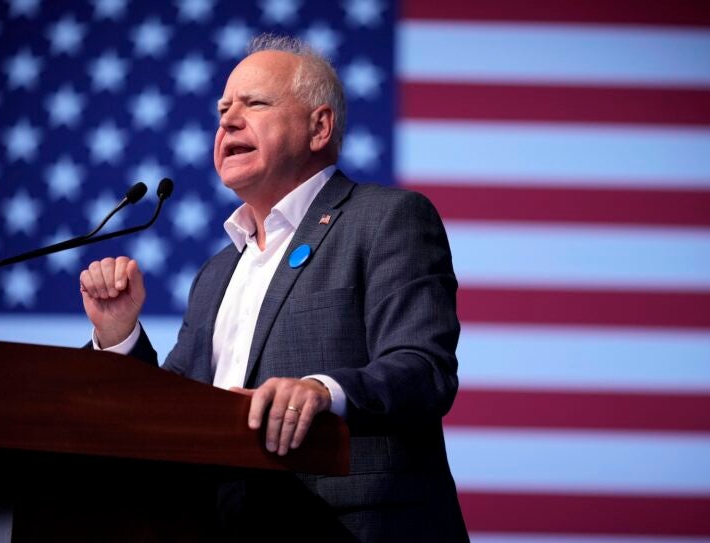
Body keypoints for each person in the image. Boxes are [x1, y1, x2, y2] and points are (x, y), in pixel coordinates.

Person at [79, 34, 469, 542]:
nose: (228, 120)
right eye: (222, 109)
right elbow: (174, 408)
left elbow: (424, 369)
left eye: (254, 103)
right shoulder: (217, 272)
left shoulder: (385, 219)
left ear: (319, 127)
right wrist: (119, 337)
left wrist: (321, 391)